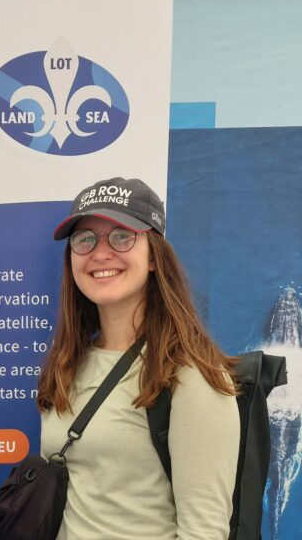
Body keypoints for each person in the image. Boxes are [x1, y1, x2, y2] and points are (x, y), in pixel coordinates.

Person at [37, 177, 239, 540]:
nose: (100, 253)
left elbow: (204, 531)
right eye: (85, 239)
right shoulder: (68, 363)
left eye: (121, 236)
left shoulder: (192, 376)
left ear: (152, 257)